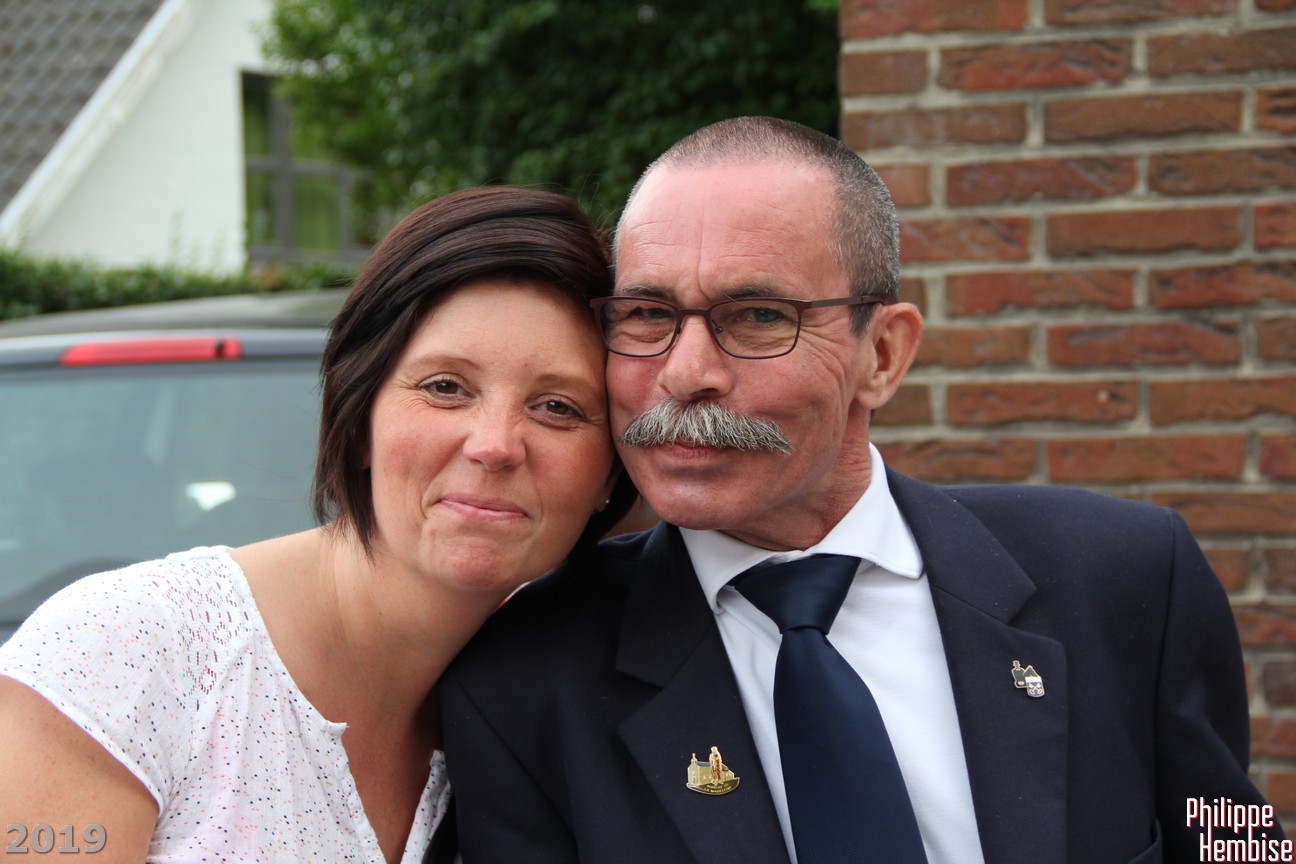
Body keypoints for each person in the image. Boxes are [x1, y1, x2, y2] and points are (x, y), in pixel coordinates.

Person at [440, 117, 1282, 863]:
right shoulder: (524, 685)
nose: (686, 372)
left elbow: (1236, 838)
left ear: (882, 355)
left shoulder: (1126, 579)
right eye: (648, 315)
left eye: (758, 317)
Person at [0, 185, 635, 863]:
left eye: (558, 407)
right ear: (358, 420)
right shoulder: (128, 654)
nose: (495, 445)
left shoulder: (569, 711)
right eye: (446, 387)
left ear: (610, 473)